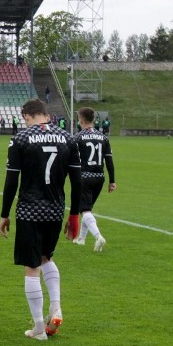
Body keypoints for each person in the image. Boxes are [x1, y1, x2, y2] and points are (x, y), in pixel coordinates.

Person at [0, 99, 82, 341]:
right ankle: (55, 307)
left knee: (31, 267)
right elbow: (77, 182)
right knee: (47, 258)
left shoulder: (21, 139)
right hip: (55, 211)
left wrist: (4, 214)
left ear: (26, 115)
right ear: (46, 114)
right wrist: (74, 215)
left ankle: (38, 328)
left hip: (29, 210)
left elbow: (11, 180)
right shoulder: (68, 138)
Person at [72, 107, 116, 251]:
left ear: (82, 120)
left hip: (84, 177)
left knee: (84, 210)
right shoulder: (103, 137)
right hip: (99, 178)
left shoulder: (77, 137)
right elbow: (109, 160)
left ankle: (98, 237)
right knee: (87, 209)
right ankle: (82, 239)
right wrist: (112, 181)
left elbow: (71, 159)